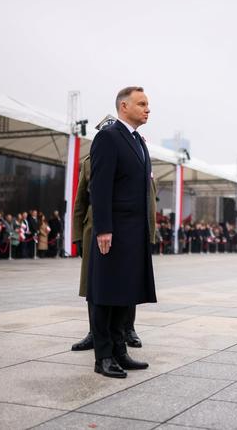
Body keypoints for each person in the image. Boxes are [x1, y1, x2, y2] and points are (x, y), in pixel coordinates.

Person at [86, 86, 156, 378]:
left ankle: (119, 351)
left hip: (134, 232)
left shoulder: (138, 141)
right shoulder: (108, 137)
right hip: (113, 230)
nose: (147, 109)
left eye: (148, 104)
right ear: (123, 106)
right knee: (105, 293)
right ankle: (103, 357)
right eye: (141, 104)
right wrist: (103, 228)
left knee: (123, 293)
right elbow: (100, 186)